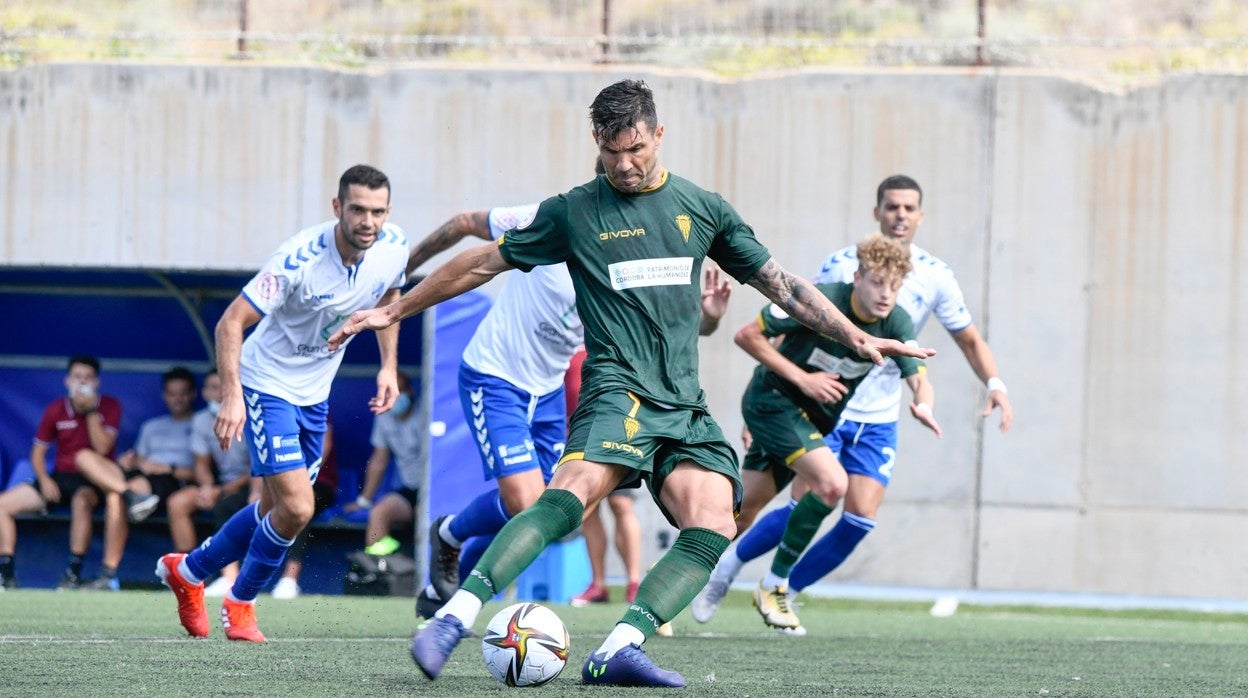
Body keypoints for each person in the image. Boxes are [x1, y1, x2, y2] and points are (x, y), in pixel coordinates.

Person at [328, 79, 933, 687]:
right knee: (568, 497)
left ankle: (619, 645)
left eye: (636, 148)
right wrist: (394, 308)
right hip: (617, 391)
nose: (625, 163)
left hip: (684, 407)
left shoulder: (703, 208)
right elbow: (482, 260)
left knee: (716, 520)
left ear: (658, 135)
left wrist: (855, 336)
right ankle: (454, 618)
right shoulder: (573, 210)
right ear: (597, 141)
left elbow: (784, 286)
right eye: (612, 150)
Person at [693, 173, 1014, 624]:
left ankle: (778, 588)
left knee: (857, 517)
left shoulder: (933, 279)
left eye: (909, 208)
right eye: (892, 207)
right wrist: (775, 400)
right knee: (803, 496)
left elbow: (953, 347)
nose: (900, 215)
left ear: (920, 216)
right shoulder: (840, 271)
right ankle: (726, 570)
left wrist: (979, 388)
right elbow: (796, 328)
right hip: (814, 405)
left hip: (875, 414)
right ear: (877, 212)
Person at [155, 164, 409, 642]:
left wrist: (388, 365)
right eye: (357, 209)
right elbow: (231, 323)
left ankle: (188, 573)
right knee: (297, 507)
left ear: (388, 212)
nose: (367, 221)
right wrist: (233, 397)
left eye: (377, 211)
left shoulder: (394, 247)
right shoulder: (297, 258)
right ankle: (242, 600)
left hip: (314, 394)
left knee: (275, 507)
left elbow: (391, 296)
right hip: (266, 382)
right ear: (338, 208)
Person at [732, 234, 941, 632]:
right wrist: (803, 379)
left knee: (735, 515)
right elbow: (747, 336)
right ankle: (774, 585)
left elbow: (918, 375)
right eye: (878, 282)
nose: (885, 294)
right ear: (857, 276)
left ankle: (677, 580)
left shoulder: (895, 319)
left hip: (811, 419)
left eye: (895, 287)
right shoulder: (821, 298)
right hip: (773, 402)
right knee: (830, 485)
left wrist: (923, 402)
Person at [403, 201, 583, 618]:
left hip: (548, 392)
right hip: (496, 376)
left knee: (548, 515)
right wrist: (406, 268)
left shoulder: (629, 256)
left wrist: (708, 317)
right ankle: (448, 533)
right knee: (526, 503)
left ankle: (443, 598)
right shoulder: (547, 220)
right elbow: (464, 222)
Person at [571, 270, 732, 608]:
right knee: (586, 505)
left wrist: (709, 318)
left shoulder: (634, 276)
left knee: (622, 503)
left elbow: (686, 329)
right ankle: (598, 583)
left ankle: (634, 583)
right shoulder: (573, 273)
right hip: (583, 415)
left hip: (630, 413)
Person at [0, 355, 154, 590]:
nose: (82, 382)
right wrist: (43, 479)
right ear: (67, 380)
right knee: (3, 505)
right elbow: (37, 453)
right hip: (61, 477)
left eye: (88, 378)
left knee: (82, 499)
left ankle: (72, 575)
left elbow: (102, 448)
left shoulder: (110, 406)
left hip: (95, 478)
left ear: (97, 382)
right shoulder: (55, 409)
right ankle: (6, 576)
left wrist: (91, 410)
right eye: (77, 377)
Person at [71, 366, 198, 590]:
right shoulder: (152, 426)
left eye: (182, 393)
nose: (177, 399)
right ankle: (129, 494)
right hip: (140, 475)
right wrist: (130, 461)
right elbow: (140, 459)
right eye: (172, 393)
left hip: (171, 479)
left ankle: (107, 574)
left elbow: (204, 472)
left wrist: (167, 467)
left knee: (114, 497)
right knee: (83, 457)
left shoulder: (201, 423)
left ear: (192, 395)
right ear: (164, 396)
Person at [343, 371, 424, 559]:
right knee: (379, 513)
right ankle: (377, 572)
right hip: (409, 490)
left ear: (410, 391)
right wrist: (363, 501)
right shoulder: (384, 417)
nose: (395, 397)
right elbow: (379, 460)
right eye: (390, 392)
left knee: (425, 516)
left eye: (400, 391)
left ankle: (425, 577)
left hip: (433, 492)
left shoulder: (426, 416)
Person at [270, 419, 339, 599]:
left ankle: (290, 578)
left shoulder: (316, 410)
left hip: (319, 485)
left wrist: (297, 484)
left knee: (300, 508)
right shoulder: (275, 412)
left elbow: (323, 448)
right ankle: (232, 577)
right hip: (281, 486)